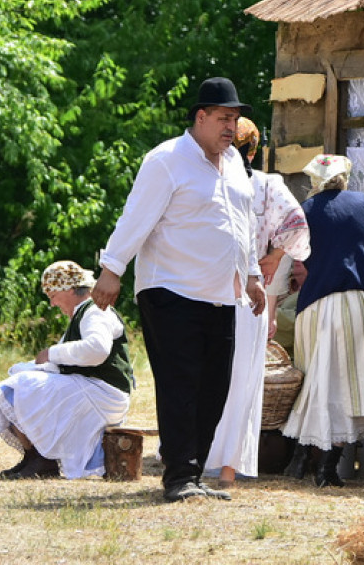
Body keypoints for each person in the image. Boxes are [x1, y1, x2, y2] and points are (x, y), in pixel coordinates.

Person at [91, 76, 267, 503]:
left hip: (222, 294)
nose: (232, 127)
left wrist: (254, 275)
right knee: (181, 384)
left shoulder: (236, 168)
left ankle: (193, 472)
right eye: (224, 118)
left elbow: (242, 228)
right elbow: (136, 217)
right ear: (201, 116)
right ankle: (179, 478)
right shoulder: (167, 160)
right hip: (171, 290)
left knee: (214, 387)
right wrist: (112, 269)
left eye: (236, 119)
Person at [204, 118, 310, 487]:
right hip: (245, 295)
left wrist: (275, 256)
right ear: (255, 148)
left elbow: (298, 223)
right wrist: (276, 255)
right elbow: (297, 223)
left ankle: (209, 459)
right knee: (238, 381)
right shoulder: (265, 185)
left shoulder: (226, 182)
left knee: (213, 378)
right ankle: (224, 465)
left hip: (227, 292)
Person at [282, 153, 364, 488]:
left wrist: (274, 301)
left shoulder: (302, 212)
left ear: (313, 181)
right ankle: (326, 467)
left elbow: (287, 262)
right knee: (353, 383)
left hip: (316, 305)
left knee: (318, 379)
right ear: (346, 177)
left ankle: (303, 457)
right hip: (361, 302)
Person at [0, 260, 133, 480]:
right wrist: (28, 368)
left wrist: (51, 353)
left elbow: (97, 349)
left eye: (52, 296)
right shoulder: (81, 315)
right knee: (17, 384)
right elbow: (63, 364)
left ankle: (42, 459)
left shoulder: (95, 311)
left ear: (68, 290)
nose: (51, 304)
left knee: (19, 388)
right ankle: (35, 457)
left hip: (104, 393)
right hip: (91, 388)